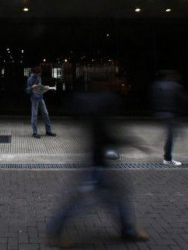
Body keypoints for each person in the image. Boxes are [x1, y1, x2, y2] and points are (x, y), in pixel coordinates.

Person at [47, 91, 149, 245]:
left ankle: (128, 230)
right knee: (81, 202)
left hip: (97, 166)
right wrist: (135, 143)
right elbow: (110, 138)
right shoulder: (101, 120)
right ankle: (55, 231)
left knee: (115, 198)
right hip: (96, 169)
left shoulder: (94, 118)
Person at [149, 69, 188, 166]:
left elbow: (153, 98)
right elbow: (184, 100)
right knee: (171, 136)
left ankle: (157, 146)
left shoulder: (156, 85)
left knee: (170, 133)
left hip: (160, 113)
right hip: (171, 114)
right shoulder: (176, 86)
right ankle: (167, 159)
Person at [26, 67, 56, 138]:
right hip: (34, 99)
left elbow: (39, 88)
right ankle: (35, 132)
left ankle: (48, 131)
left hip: (40, 98)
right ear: (35, 73)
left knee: (45, 114)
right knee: (34, 115)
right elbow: (27, 91)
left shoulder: (39, 78)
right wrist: (32, 87)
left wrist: (45, 88)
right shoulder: (30, 79)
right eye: (39, 73)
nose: (40, 74)